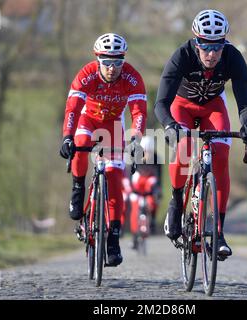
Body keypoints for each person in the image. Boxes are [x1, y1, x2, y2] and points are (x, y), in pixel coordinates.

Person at [154, 9, 247, 259]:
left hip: (213, 106)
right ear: (196, 42)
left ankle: (219, 231)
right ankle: (177, 200)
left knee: (221, 156)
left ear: (225, 43)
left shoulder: (233, 57)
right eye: (205, 46)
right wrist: (169, 125)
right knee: (184, 149)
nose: (211, 54)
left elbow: (245, 102)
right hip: (182, 105)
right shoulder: (182, 55)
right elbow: (160, 103)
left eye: (217, 47)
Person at [59, 33, 147, 266]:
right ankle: (78, 188)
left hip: (114, 124)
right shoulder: (86, 75)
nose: (112, 68)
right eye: (106, 63)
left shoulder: (132, 77)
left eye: (117, 62)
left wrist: (136, 140)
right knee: (79, 147)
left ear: (123, 60)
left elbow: (138, 113)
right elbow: (72, 110)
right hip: (87, 119)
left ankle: (113, 240)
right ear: (98, 60)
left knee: (115, 178)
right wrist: (67, 137)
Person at [127, 136, 162, 249]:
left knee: (153, 200)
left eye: (149, 150)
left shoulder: (157, 158)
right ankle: (134, 237)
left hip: (149, 182)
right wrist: (131, 189)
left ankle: (152, 220)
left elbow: (158, 177)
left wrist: (158, 190)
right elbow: (131, 173)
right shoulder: (137, 156)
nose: (147, 153)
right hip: (138, 182)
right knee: (135, 208)